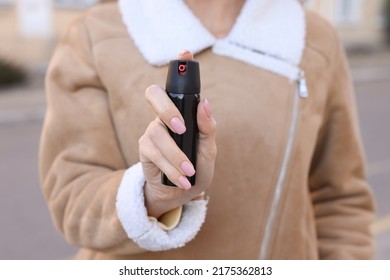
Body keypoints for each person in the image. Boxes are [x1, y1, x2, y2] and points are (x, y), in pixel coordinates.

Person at [39, 0, 375, 259]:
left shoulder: (313, 39)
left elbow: (341, 200)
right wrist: (151, 195)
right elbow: (70, 195)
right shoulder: (97, 32)